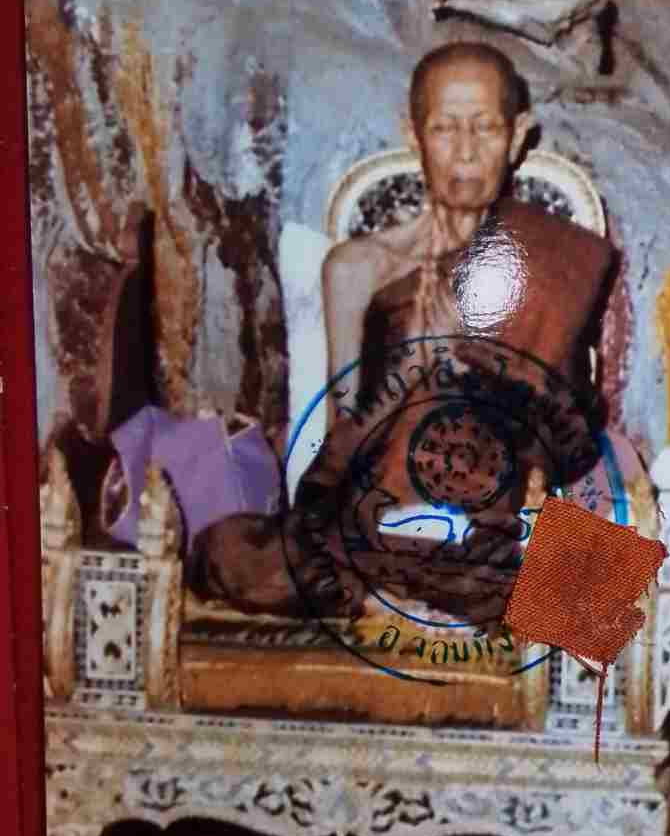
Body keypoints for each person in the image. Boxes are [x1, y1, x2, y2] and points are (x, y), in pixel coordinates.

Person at [191, 42, 616, 622]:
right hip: (379, 521)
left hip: (493, 526)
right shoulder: (358, 270)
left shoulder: (553, 261)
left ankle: (391, 595)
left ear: (517, 136)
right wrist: (416, 367)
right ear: (412, 135)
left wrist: (487, 372)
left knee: (593, 584)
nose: (465, 151)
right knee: (226, 551)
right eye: (444, 128)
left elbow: (571, 443)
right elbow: (342, 443)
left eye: (486, 128)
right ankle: (396, 594)